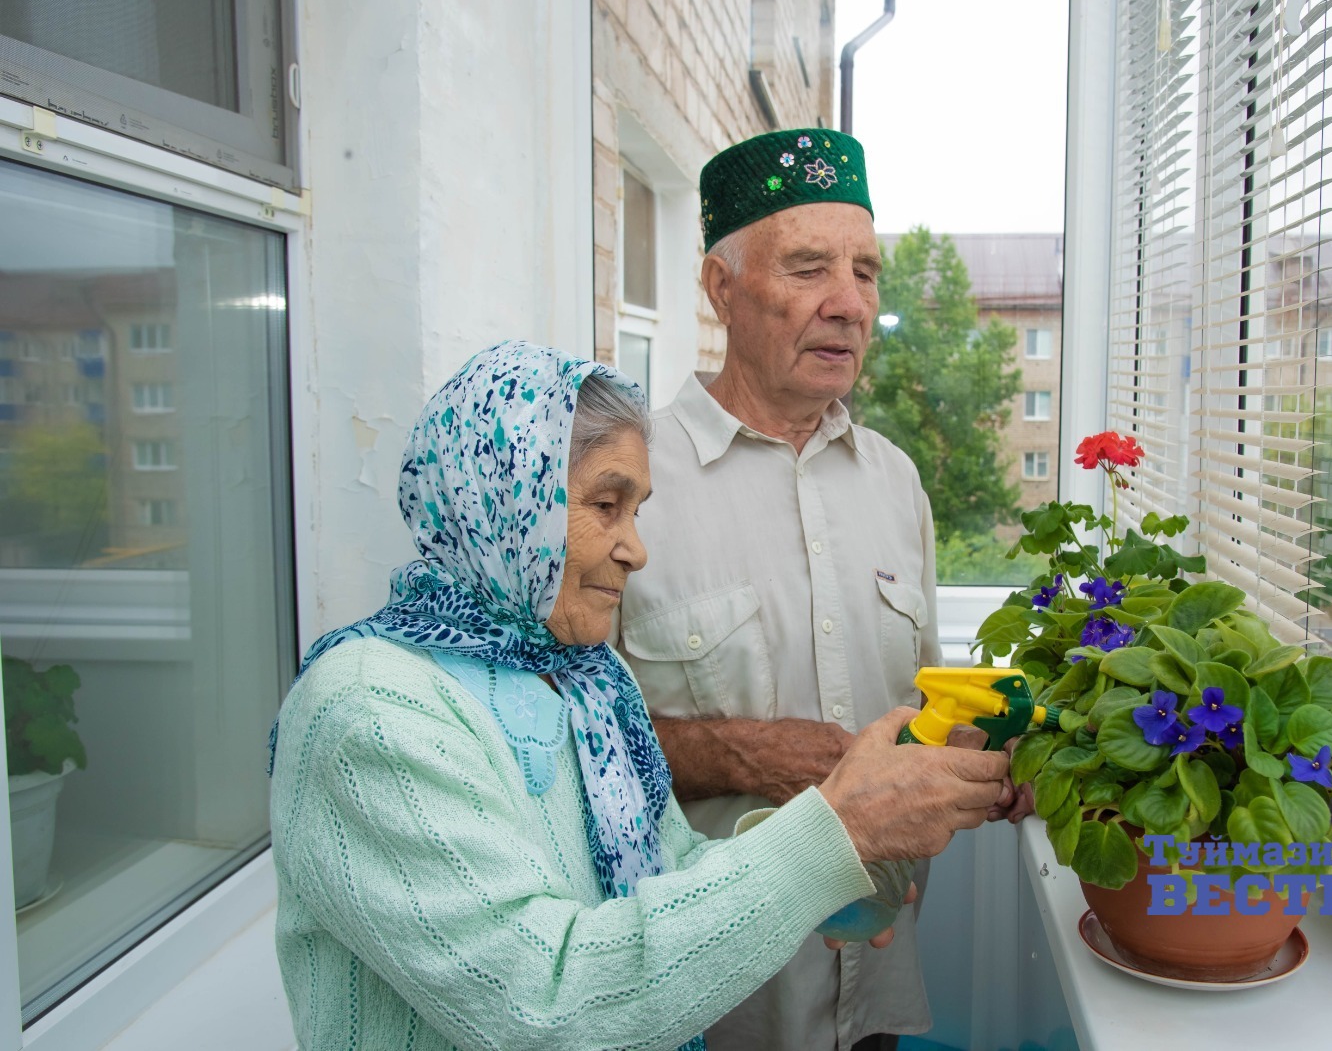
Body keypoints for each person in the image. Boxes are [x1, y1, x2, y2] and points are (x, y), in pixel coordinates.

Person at [267, 341, 1012, 1051]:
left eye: (637, 510)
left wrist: (824, 869)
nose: (637, 549)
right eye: (605, 505)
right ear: (502, 501)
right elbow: (544, 1004)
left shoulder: (586, 677)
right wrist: (829, 838)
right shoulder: (369, 711)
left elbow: (666, 868)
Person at [617, 129, 1026, 1051]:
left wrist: (993, 756)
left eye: (866, 272)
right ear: (721, 288)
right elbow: (561, 748)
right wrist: (737, 754)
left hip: (873, 982)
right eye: (809, 268)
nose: (850, 304)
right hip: (714, 1005)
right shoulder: (626, 483)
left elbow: (919, 709)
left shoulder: (895, 481)